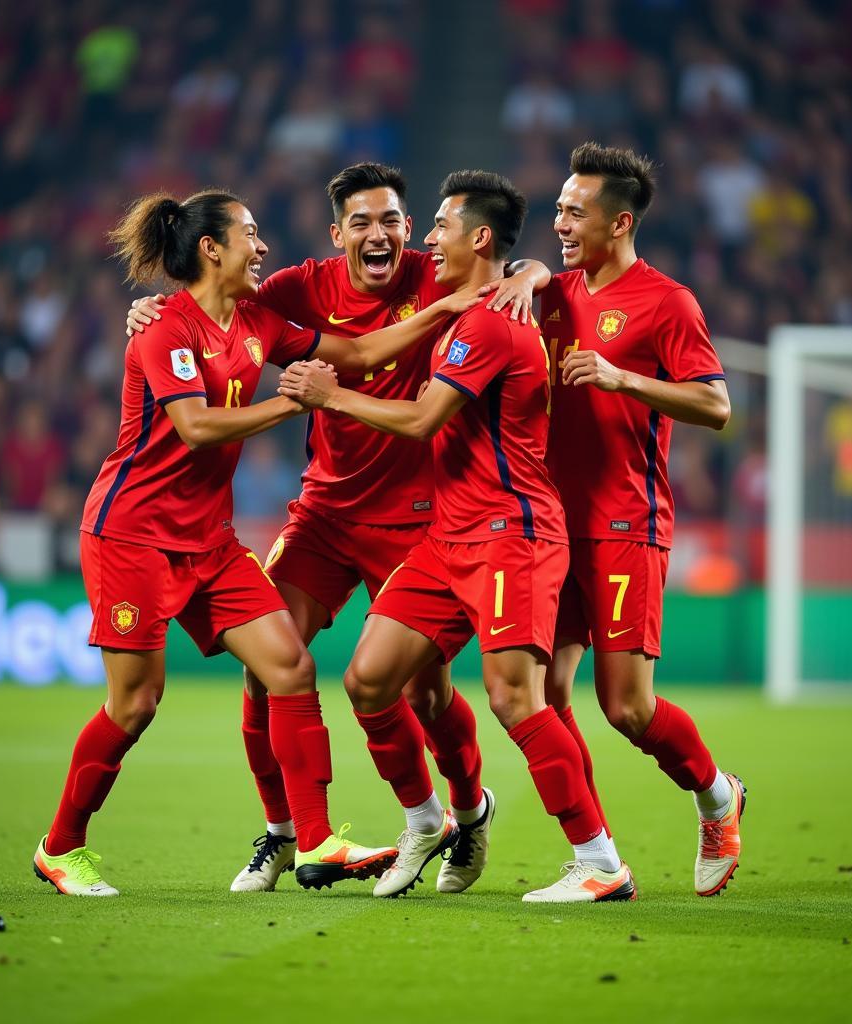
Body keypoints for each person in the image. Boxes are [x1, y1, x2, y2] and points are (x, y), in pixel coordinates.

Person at [35, 187, 475, 896]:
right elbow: (197, 426)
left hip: (208, 540)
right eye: (249, 233)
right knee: (135, 704)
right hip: (133, 537)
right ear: (212, 249)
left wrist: (442, 311)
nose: (262, 246)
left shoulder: (257, 322)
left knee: (288, 668)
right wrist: (293, 400)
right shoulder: (164, 329)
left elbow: (358, 350)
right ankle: (61, 846)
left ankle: (315, 839)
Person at [126, 163, 549, 894]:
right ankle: (285, 832)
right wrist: (145, 311)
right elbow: (207, 301)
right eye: (361, 222)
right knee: (270, 672)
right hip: (323, 515)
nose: (377, 233)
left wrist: (531, 275)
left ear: (410, 229)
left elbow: (522, 264)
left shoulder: (440, 271)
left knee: (424, 693)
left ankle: (467, 810)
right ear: (337, 234)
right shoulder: (295, 288)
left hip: (421, 520)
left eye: (390, 219)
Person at [279, 170, 635, 903]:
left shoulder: (490, 324)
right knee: (371, 680)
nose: (425, 239)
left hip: (512, 533)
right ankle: (427, 819)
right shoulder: (469, 307)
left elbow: (418, 419)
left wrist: (329, 395)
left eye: (437, 226)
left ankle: (599, 861)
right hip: (450, 534)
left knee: (513, 698)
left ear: (477, 237)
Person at [541, 142, 744, 897]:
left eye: (574, 211)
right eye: (558, 208)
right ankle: (595, 859)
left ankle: (717, 796)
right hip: (550, 527)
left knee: (625, 707)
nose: (559, 221)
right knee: (537, 695)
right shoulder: (550, 294)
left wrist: (623, 376)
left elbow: (716, 406)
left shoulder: (668, 302)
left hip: (627, 523)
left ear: (619, 221)